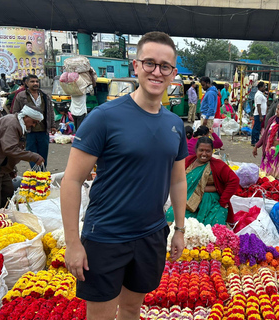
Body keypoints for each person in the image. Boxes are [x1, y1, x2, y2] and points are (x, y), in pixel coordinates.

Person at [60, 31, 186, 320]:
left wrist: (179, 228)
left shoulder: (174, 124)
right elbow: (72, 180)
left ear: (173, 73)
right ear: (136, 66)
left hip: (151, 235)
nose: (157, 71)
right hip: (106, 237)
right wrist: (73, 243)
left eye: (164, 66)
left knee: (131, 310)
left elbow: (178, 179)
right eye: (150, 63)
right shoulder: (104, 117)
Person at [0, 106, 44, 213]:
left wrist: (11, 168)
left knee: (7, 197)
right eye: (33, 122)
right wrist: (33, 156)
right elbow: (10, 148)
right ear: (26, 116)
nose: (33, 125)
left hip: (1, 167)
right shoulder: (11, 124)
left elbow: (12, 149)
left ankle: (2, 222)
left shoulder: (20, 124)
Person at [166, 136, 239, 226]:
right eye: (201, 150)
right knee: (171, 215)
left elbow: (234, 180)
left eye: (208, 151)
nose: (204, 154)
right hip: (187, 200)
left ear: (212, 151)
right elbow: (177, 177)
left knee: (213, 223)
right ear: (196, 150)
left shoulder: (218, 165)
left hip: (209, 202)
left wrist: (223, 201)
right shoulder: (188, 161)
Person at [13, 74, 57, 167]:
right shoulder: (21, 96)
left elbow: (50, 111)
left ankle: (43, 175)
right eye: (32, 82)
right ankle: (35, 174)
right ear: (26, 83)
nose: (35, 83)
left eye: (37, 81)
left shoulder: (45, 96)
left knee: (43, 154)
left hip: (43, 130)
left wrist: (53, 125)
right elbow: (15, 112)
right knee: (31, 154)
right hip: (29, 131)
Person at [252, 81, 267, 146]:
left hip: (261, 113)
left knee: (258, 127)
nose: (265, 88)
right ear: (260, 87)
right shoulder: (259, 95)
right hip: (258, 114)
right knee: (256, 128)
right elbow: (258, 105)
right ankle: (254, 141)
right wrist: (260, 116)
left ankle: (256, 140)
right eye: (264, 86)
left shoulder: (261, 94)